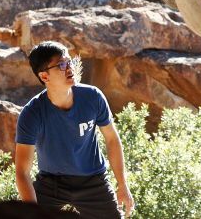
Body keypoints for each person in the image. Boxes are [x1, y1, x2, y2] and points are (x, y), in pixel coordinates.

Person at [15, 41, 134, 218]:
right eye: (61, 65)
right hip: (51, 184)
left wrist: (122, 185)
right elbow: (22, 172)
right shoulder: (32, 114)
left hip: (93, 182)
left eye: (69, 61)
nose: (69, 67)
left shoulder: (92, 97)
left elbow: (111, 139)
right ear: (45, 76)